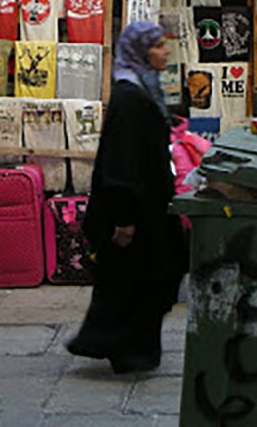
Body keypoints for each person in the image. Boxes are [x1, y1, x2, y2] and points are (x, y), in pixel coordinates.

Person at [66, 21, 187, 373]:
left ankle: (123, 347)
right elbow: (122, 162)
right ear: (142, 51)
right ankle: (126, 350)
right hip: (137, 212)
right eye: (159, 46)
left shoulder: (141, 89)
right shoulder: (130, 97)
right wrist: (124, 220)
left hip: (148, 206)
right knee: (144, 279)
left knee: (135, 281)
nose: (165, 52)